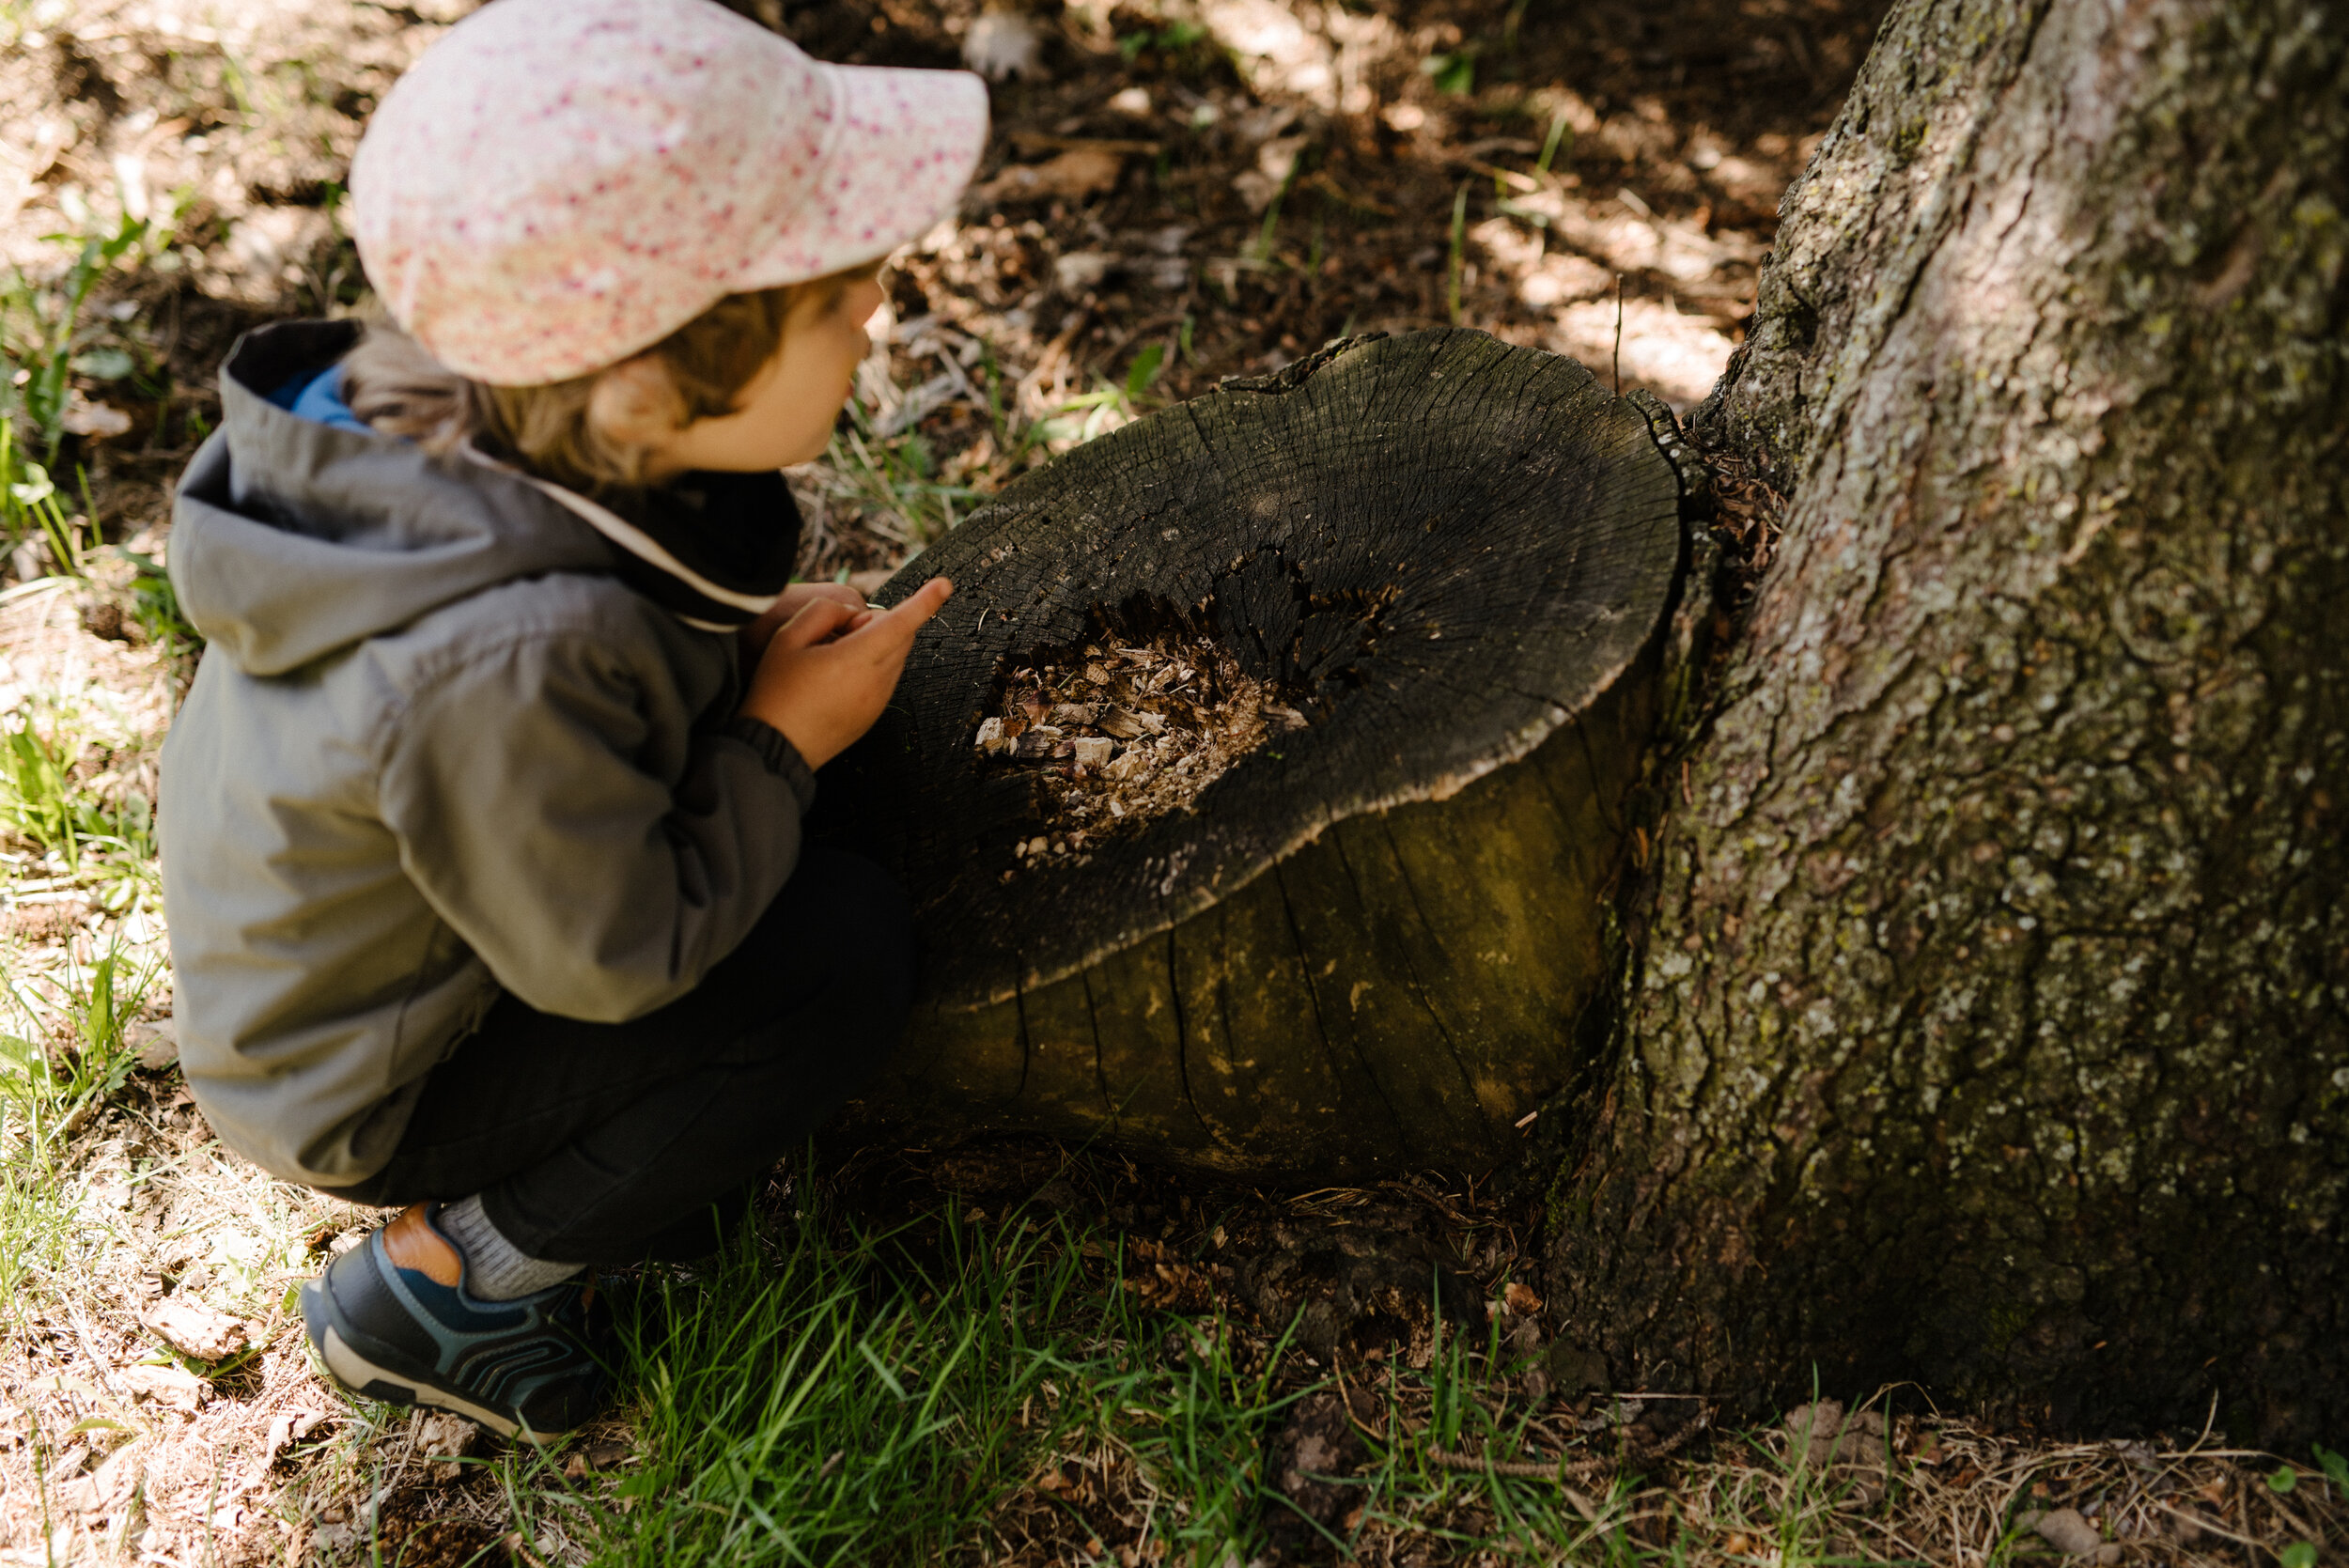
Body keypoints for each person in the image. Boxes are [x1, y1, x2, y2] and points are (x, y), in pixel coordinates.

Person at [156, 0, 988, 1439]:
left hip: (476, 905)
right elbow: (620, 955)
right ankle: (454, 1282)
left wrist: (741, 665)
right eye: (835, 293)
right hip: (377, 1070)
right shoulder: (504, 657)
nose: (874, 309)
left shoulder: (502, 411)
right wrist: (776, 741)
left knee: (830, 847)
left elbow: (591, 683)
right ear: (643, 383)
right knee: (835, 956)